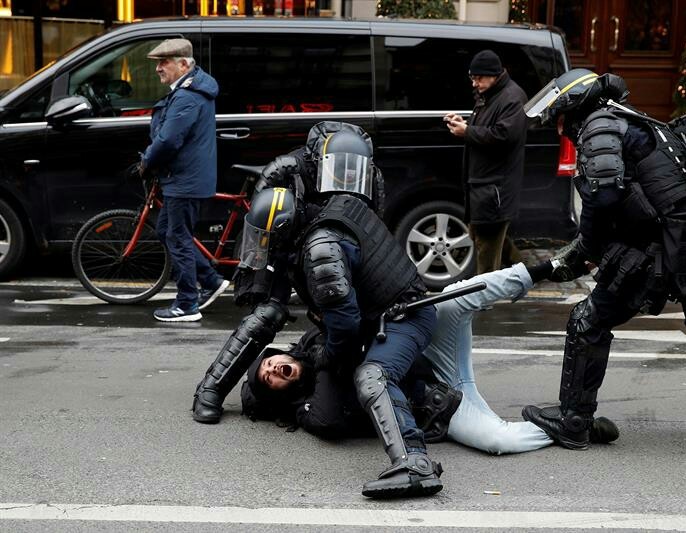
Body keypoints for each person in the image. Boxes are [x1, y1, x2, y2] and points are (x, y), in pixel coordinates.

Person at [520, 68, 686, 450]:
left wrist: (587, 250)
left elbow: (602, 196)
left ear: (575, 106)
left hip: (661, 244)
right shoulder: (638, 120)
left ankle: (573, 421)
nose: (558, 129)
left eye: (558, 118)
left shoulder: (599, 124)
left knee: (588, 321)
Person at [192, 123, 443, 499]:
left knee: (372, 376)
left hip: (402, 316)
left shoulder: (321, 245)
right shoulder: (303, 211)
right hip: (370, 313)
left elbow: (343, 329)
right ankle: (209, 389)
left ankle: (416, 463)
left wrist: (325, 361)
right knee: (269, 314)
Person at [241, 262, 620, 455]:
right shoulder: (311, 410)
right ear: (280, 393)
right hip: (440, 406)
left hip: (430, 355)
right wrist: (333, 356)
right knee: (497, 441)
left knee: (454, 295)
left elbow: (361, 317)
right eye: (270, 378)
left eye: (269, 362)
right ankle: (575, 425)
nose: (273, 368)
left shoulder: (311, 340)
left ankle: (549, 268)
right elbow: (330, 413)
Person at [139, 38, 228, 322]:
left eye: (163, 63)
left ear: (183, 64)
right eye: (158, 63)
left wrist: (146, 161)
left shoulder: (188, 96)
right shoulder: (190, 90)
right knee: (169, 230)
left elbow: (168, 140)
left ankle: (187, 304)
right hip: (185, 177)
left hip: (184, 179)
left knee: (176, 236)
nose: (158, 69)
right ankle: (211, 281)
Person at [444, 49, 528, 274]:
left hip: (495, 188)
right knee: (487, 239)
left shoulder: (512, 97)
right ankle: (528, 273)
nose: (474, 83)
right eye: (472, 78)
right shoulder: (491, 95)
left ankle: (484, 301)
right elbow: (487, 128)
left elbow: (503, 136)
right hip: (484, 186)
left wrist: (467, 131)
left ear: (494, 75)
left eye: (478, 78)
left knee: (486, 248)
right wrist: (464, 123)